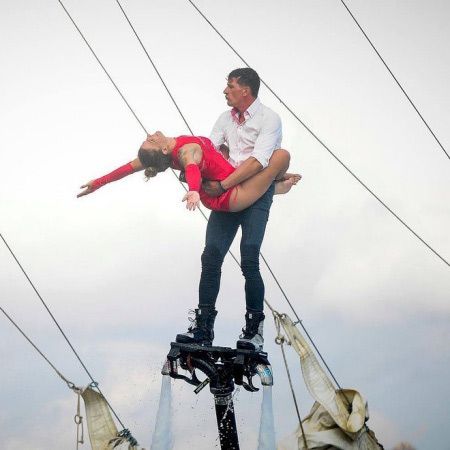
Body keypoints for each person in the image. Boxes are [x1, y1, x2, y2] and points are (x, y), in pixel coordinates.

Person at [176, 68, 292, 352]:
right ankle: (203, 327)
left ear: (245, 90)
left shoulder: (269, 118)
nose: (225, 91)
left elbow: (258, 161)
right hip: (227, 196)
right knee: (211, 255)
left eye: (230, 86)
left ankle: (254, 331)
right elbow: (210, 149)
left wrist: (223, 183)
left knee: (249, 255)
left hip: (254, 193)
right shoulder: (224, 119)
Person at [77, 132, 299, 212]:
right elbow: (191, 166)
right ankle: (275, 188)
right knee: (281, 157)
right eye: (150, 141)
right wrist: (193, 190)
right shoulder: (184, 151)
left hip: (230, 175)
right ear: (163, 150)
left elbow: (125, 169)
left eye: (147, 139)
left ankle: (274, 182)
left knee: (250, 161)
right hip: (227, 194)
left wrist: (97, 183)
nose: (150, 136)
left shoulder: (165, 151)